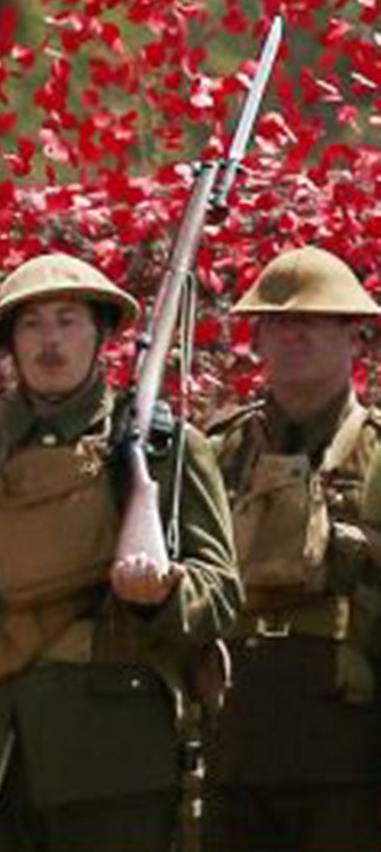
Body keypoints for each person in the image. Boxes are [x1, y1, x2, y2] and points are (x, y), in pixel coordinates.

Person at [0, 253, 240, 852]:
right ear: (10, 343)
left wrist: (164, 594)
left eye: (68, 320)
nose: (50, 341)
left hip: (112, 757)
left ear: (101, 335)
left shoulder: (166, 447)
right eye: (32, 324)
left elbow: (221, 594)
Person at [203, 246, 381, 852]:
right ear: (259, 341)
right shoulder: (220, 451)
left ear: (354, 338)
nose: (295, 333)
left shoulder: (377, 452)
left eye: (317, 319)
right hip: (235, 740)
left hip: (349, 748)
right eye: (279, 322)